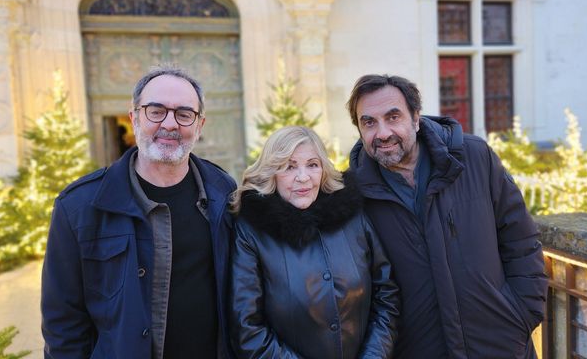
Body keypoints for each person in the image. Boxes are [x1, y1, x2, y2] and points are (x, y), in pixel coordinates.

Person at [41, 65, 236, 359]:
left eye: (184, 114)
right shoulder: (78, 207)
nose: (170, 124)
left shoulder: (223, 191)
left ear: (200, 125)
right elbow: (63, 324)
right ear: (134, 118)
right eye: (156, 111)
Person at [346, 74, 548, 359]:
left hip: (501, 346)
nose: (382, 133)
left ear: (416, 118)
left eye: (393, 117)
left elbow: (521, 240)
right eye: (369, 122)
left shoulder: (474, 157)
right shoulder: (353, 195)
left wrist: (522, 315)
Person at [229, 126, 400, 359]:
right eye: (289, 167)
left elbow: (386, 295)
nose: (303, 177)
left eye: (312, 164)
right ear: (272, 172)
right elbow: (248, 329)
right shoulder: (251, 233)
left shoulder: (352, 217)